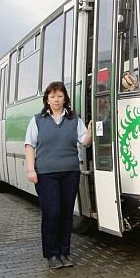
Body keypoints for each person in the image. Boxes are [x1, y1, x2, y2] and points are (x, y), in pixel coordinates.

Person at [25, 81, 92, 269]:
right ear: (47, 99)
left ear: (65, 99)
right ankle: (52, 254)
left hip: (70, 173)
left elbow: (85, 142)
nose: (56, 100)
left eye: (60, 96)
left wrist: (91, 131)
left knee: (66, 214)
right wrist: (31, 170)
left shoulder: (73, 119)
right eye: (52, 96)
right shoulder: (37, 120)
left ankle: (64, 252)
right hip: (46, 174)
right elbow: (29, 145)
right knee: (52, 213)